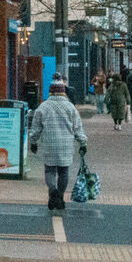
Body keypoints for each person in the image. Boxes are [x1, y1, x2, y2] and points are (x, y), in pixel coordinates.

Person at [29, 79, 87, 211]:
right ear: (63, 92)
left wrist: (33, 142)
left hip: (49, 144)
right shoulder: (70, 107)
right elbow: (77, 128)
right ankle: (60, 196)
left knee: (49, 171)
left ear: (50, 92)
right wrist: (83, 143)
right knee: (63, 172)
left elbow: (36, 128)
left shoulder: (43, 107)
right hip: (66, 145)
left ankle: (53, 190)